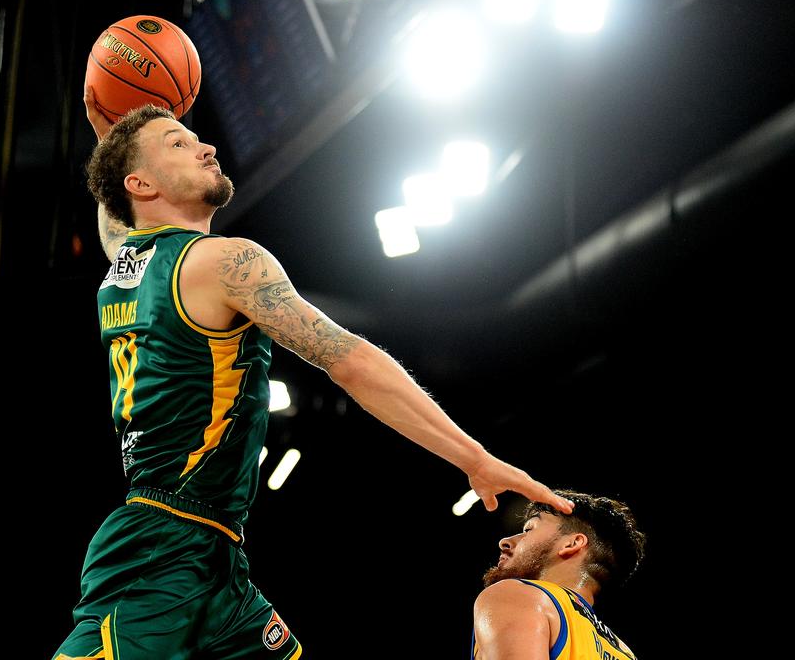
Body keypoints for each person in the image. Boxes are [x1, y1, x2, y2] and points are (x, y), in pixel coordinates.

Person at [52, 87, 576, 659]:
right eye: (179, 143)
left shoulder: (125, 261)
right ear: (142, 185)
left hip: (214, 556)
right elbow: (349, 360)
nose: (205, 147)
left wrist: (113, 134)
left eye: (196, 137)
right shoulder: (226, 261)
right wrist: (474, 458)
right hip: (159, 549)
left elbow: (117, 213)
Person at [472, 491, 645, 660]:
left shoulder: (517, 595)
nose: (505, 541)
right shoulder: (625, 652)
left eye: (529, 529)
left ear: (572, 543)